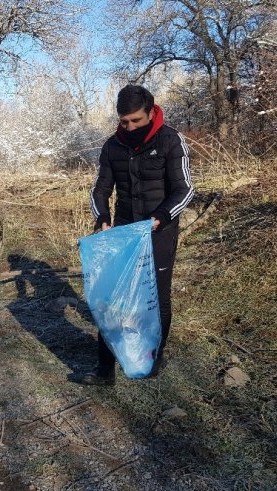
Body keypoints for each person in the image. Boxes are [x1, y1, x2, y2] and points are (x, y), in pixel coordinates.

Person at [71, 85, 194, 386]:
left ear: (151, 113)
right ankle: (104, 371)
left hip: (159, 231)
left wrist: (160, 218)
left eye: (136, 121)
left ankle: (154, 355)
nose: (130, 127)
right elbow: (100, 189)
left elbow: (185, 189)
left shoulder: (170, 140)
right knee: (113, 299)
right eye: (124, 121)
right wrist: (102, 219)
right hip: (123, 232)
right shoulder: (113, 146)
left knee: (157, 297)